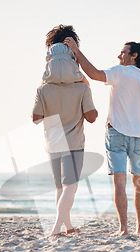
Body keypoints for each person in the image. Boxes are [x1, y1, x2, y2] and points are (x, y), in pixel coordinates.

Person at [64, 38, 140, 235]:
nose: (119, 55)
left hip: (116, 134)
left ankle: (123, 229)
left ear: (134, 56)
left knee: (120, 183)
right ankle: (139, 228)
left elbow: (93, 73)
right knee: (139, 182)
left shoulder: (120, 72)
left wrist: (75, 50)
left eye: (123, 52)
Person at [32, 25, 98, 236]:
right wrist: (86, 90)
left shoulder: (43, 88)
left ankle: (68, 227)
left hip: (52, 143)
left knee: (60, 188)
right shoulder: (81, 86)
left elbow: (35, 118)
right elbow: (91, 117)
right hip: (74, 143)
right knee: (71, 186)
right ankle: (55, 229)